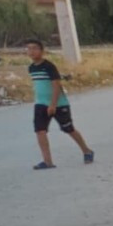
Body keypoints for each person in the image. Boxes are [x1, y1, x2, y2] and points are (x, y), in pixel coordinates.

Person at [27, 39, 93, 170]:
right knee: (40, 131)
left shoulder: (49, 66)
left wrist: (53, 104)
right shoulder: (31, 68)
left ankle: (87, 151)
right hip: (40, 104)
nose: (31, 51)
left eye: (34, 48)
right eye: (29, 49)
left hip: (58, 104)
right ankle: (47, 161)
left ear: (42, 51)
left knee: (69, 129)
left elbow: (56, 86)